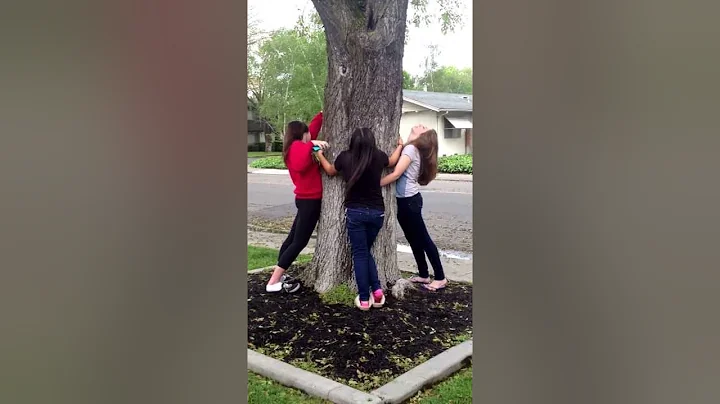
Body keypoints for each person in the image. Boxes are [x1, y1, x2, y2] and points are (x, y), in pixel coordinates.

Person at [316, 128, 404, 310]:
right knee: (365, 251)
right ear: (372, 142)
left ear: (352, 142)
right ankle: (377, 291)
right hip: (377, 213)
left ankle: (364, 299)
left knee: (360, 254)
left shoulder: (345, 157)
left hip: (355, 212)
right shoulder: (379, 156)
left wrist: (319, 155)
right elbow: (393, 161)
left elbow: (331, 171)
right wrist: (400, 146)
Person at [266, 111, 328, 293]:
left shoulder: (298, 145)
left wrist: (322, 115)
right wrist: (311, 144)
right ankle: (273, 282)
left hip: (305, 200)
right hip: (309, 201)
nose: (311, 135)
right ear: (302, 135)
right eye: (308, 134)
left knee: (293, 238)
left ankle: (278, 274)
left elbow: (312, 133)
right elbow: (301, 162)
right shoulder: (296, 148)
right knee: (299, 241)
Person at [380, 124, 447, 292]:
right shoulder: (411, 148)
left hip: (409, 201)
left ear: (424, 136)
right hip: (405, 201)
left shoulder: (411, 149)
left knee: (423, 239)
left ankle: (440, 277)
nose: (419, 125)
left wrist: (373, 185)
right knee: (413, 239)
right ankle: (423, 274)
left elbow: (395, 174)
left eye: (423, 127)